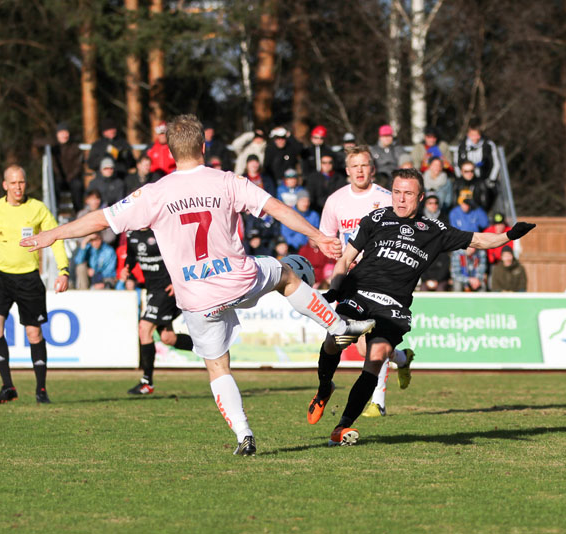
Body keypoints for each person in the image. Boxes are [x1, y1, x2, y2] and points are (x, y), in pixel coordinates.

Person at [21, 114, 375, 456]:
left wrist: (51, 235)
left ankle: (244, 433)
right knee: (285, 275)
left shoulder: (154, 193)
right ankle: (336, 325)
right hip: (239, 277)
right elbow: (277, 208)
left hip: (196, 295)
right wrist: (316, 236)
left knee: (218, 367)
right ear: (204, 145)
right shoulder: (226, 181)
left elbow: (101, 219)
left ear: (171, 151)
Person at [307, 168, 536, 446]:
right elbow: (345, 260)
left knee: (377, 357)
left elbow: (478, 240)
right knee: (335, 340)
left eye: (408, 194)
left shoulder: (435, 230)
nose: (401, 199)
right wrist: (336, 287)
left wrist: (510, 235)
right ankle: (323, 390)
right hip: (359, 293)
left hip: (393, 306)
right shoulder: (376, 218)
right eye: (396, 192)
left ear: (421, 197)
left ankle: (342, 427)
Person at [0, 165, 70, 404]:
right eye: (13, 183)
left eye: (21, 182)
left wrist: (63, 270)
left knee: (33, 333)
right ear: (4, 185)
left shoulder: (37, 209)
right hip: (2, 278)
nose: (18, 187)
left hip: (29, 279)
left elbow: (56, 238)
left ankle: (41, 390)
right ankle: (7, 386)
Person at [318, 145, 397, 419]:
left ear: (372, 169)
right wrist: (335, 253)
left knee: (371, 341)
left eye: (365, 165)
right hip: (349, 278)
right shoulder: (335, 200)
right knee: (343, 338)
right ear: (347, 170)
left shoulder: (386, 199)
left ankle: (378, 401)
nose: (360, 170)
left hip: (380, 277)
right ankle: (401, 358)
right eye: (355, 166)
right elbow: (326, 238)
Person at [119, 228, 194, 394]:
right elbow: (131, 256)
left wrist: (178, 280)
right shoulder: (132, 234)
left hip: (167, 289)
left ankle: (147, 382)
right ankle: (210, 347)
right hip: (152, 290)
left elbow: (182, 256)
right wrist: (127, 268)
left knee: (144, 328)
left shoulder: (162, 230)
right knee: (168, 338)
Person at [52, 122, 85, 211]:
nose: (64, 135)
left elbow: (79, 166)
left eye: (65, 132)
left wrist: (70, 177)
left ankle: (78, 212)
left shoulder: (75, 147)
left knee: (77, 185)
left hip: (72, 178)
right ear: (57, 135)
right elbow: (37, 142)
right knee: (54, 185)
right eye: (61, 133)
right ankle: (55, 209)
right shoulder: (53, 148)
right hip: (59, 179)